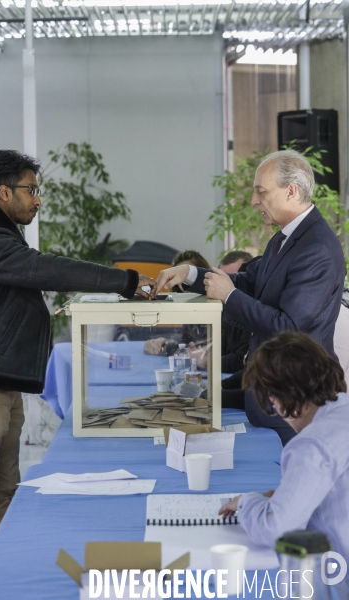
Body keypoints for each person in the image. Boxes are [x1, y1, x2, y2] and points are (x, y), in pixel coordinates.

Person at [0, 150, 155, 599]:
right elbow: (50, 269)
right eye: (31, 190)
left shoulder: (3, 236)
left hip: (1, 382)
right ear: (3, 193)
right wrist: (123, 281)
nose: (37, 200)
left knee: (4, 488)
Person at [155, 150, 345, 444]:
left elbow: (289, 327)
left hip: (294, 402)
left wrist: (229, 296)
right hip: (267, 395)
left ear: (291, 192)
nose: (254, 200)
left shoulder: (316, 248)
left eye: (261, 191)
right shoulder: (284, 237)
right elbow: (248, 283)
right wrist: (192, 274)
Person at [218, 331, 349, 600]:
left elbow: (278, 530)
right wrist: (284, 496)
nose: (274, 408)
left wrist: (246, 503)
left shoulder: (312, 445)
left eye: (272, 400)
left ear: (288, 394)